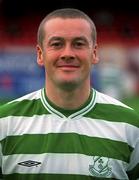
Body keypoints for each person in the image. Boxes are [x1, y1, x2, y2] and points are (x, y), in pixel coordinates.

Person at [0, 8, 139, 180]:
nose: (67, 54)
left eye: (78, 44)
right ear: (40, 54)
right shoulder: (4, 123)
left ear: (94, 53)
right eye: (57, 44)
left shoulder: (131, 126)